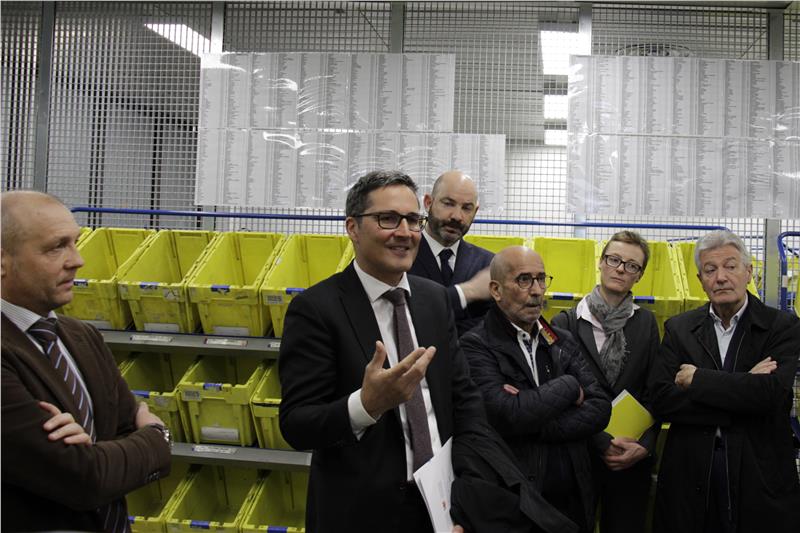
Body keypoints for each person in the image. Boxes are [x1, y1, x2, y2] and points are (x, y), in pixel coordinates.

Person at [278, 170, 487, 533]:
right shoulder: (316, 309)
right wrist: (366, 405)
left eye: (412, 220)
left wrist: (466, 497)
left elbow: (465, 401)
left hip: (439, 506)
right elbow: (297, 425)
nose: (405, 232)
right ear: (353, 228)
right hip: (360, 514)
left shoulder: (434, 300)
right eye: (388, 219)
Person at [1, 190, 172, 533]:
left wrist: (97, 454)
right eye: (56, 247)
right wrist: (157, 436)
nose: (77, 260)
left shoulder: (82, 336)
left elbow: (122, 427)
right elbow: (82, 479)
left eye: (75, 243)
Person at [649, 230, 800, 533]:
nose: (721, 277)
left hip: (759, 471)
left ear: (749, 272)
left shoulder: (781, 326)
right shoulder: (680, 329)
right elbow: (661, 399)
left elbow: (771, 396)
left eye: (730, 266)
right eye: (710, 269)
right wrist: (743, 387)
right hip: (692, 471)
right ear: (700, 279)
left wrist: (698, 380)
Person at [461, 245, 611, 533]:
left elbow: (600, 408)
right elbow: (507, 415)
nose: (537, 291)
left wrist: (532, 422)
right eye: (524, 280)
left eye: (541, 279)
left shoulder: (560, 340)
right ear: (495, 290)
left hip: (574, 497)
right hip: (518, 500)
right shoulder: (476, 346)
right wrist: (569, 387)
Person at [551, 230, 660, 533]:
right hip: (579, 455)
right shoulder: (566, 323)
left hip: (631, 457)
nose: (621, 269)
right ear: (600, 262)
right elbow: (558, 395)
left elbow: (655, 389)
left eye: (632, 265)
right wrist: (600, 441)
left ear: (639, 276)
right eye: (614, 260)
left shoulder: (646, 324)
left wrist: (645, 446)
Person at [409, 169, 493, 336]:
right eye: (448, 203)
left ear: (475, 212)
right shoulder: (401, 257)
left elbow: (492, 329)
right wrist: (467, 292)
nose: (457, 216)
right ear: (428, 203)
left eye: (466, 208)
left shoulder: (488, 265)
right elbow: (403, 317)